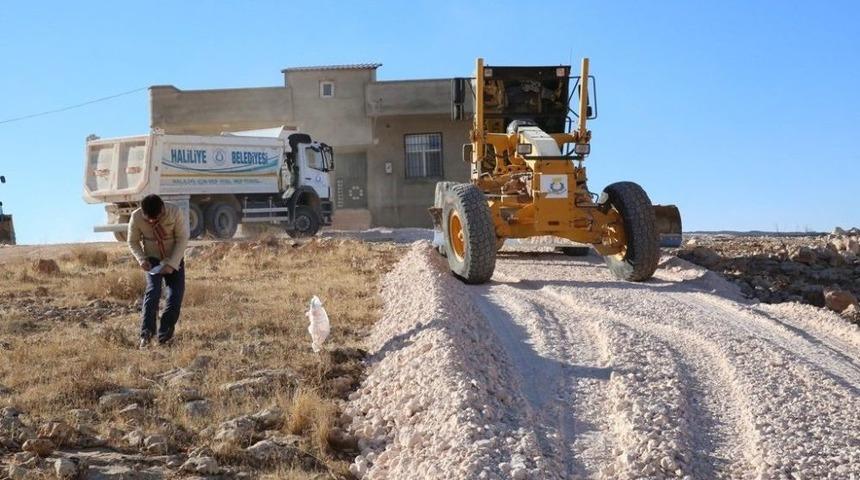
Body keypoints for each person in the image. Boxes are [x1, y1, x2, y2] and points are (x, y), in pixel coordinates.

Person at [127, 194, 189, 348]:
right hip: (152, 259)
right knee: (153, 292)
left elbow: (182, 238)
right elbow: (132, 241)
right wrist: (142, 259)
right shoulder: (136, 217)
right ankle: (146, 336)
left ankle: (165, 336)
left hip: (173, 257)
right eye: (149, 219)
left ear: (162, 209)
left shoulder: (174, 212)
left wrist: (172, 263)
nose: (152, 222)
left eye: (156, 218)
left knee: (175, 295)